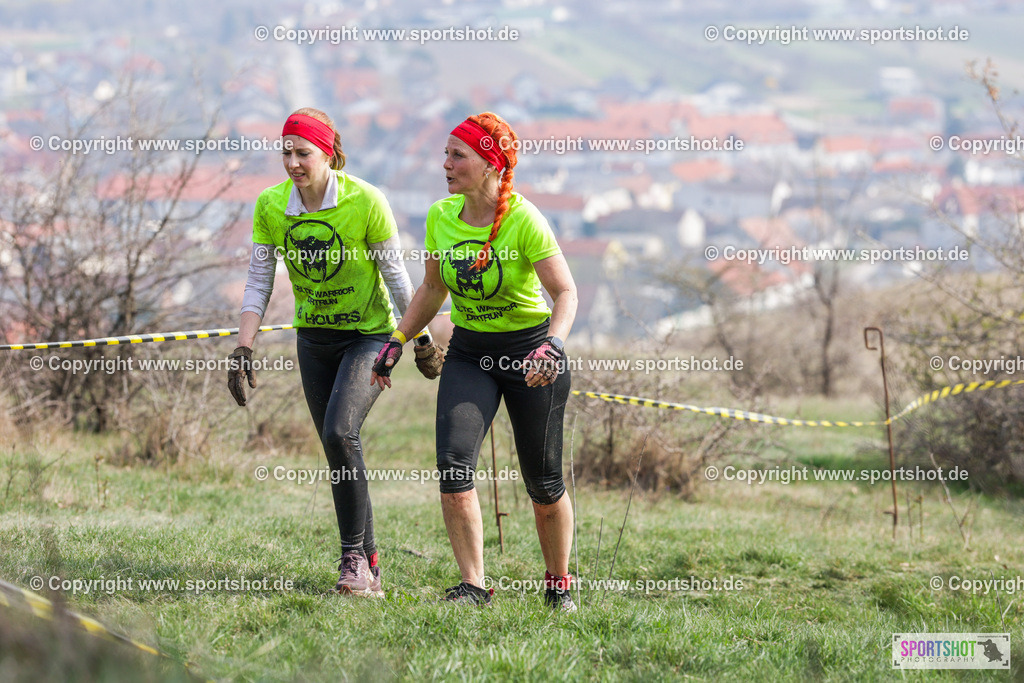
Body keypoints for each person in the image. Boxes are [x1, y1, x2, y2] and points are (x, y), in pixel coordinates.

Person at [227, 107, 444, 597]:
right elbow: (259, 280)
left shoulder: (365, 200)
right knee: (337, 445)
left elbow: (396, 277)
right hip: (314, 340)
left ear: (329, 153)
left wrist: (421, 340)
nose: (292, 163)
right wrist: (243, 346)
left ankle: (352, 560)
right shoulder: (270, 206)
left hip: (369, 335)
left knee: (340, 430)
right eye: (285, 152)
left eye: (303, 153)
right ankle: (368, 565)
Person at [370, 112, 580, 610]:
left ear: (490, 164)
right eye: (445, 153)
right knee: (453, 466)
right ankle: (474, 585)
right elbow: (432, 288)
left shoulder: (524, 219)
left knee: (543, 479)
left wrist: (553, 345)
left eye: (457, 155)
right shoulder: (441, 216)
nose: (445, 164)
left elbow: (565, 292)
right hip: (470, 354)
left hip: (531, 353)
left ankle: (558, 585)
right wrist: (399, 338)